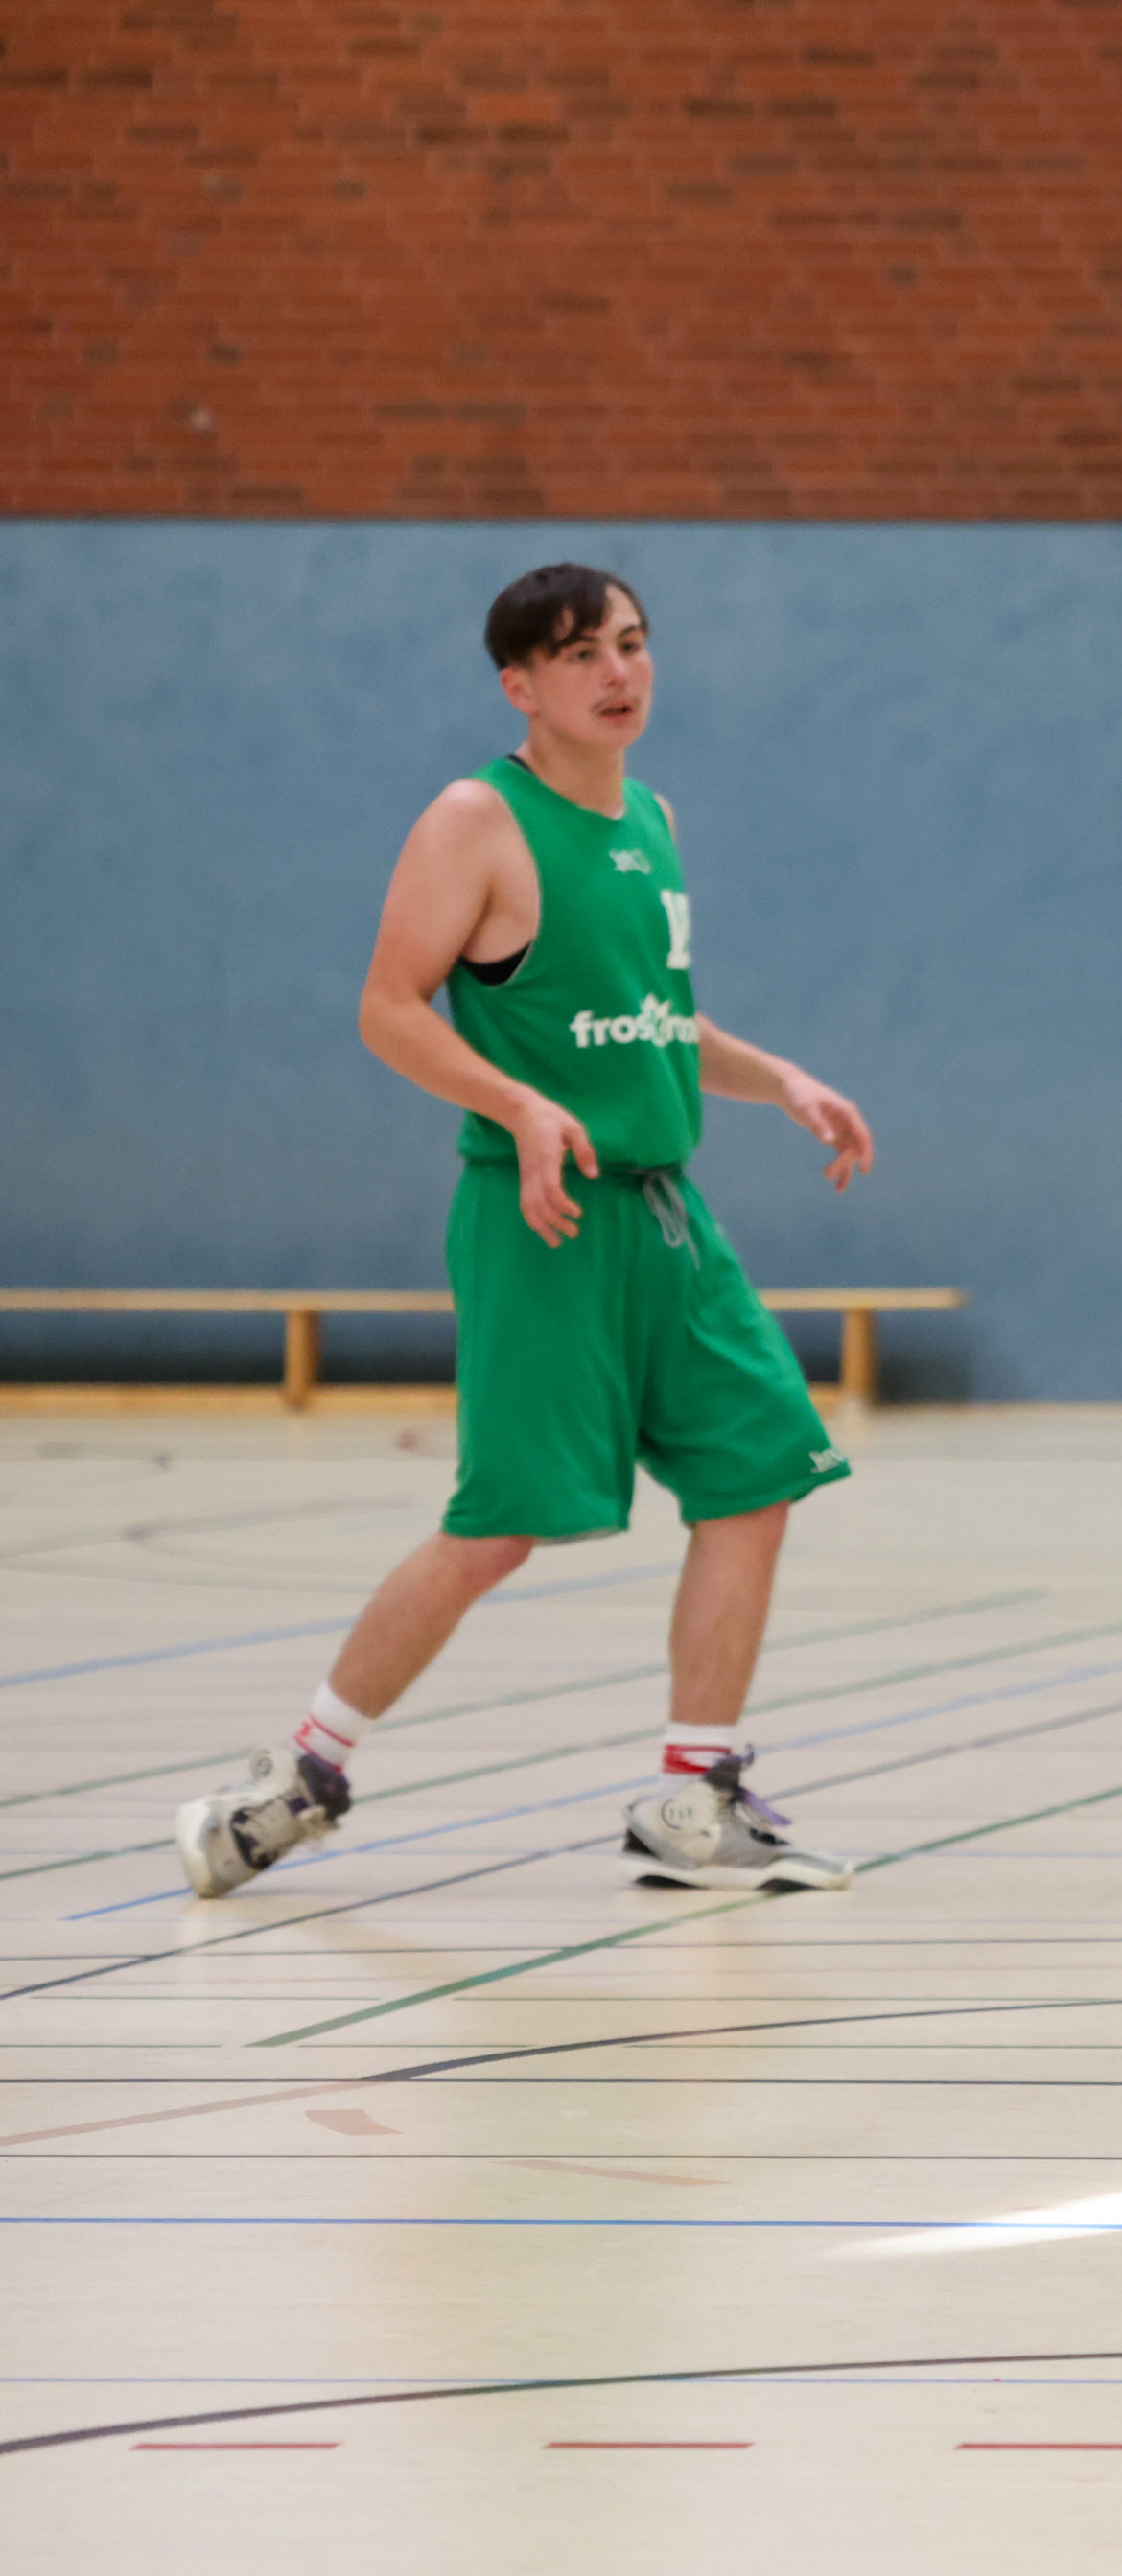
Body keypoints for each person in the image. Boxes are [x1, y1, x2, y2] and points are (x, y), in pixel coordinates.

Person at [173, 567, 877, 1902]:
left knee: (757, 1476)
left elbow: (655, 1019)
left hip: (667, 1216)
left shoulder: (653, 818)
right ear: (520, 685)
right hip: (538, 1217)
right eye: (579, 654)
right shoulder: (476, 820)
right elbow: (390, 1008)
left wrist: (780, 1078)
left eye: (632, 644)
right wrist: (520, 1105)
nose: (618, 672)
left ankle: (694, 1797)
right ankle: (299, 1778)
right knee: (500, 1527)